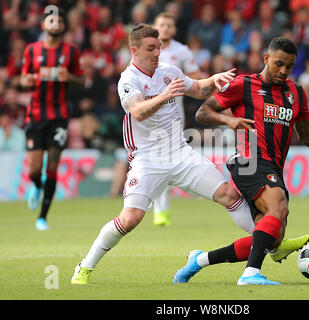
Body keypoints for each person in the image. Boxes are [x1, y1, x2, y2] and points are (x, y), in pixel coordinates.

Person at [71, 23, 294, 285]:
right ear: (134, 50)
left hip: (179, 152)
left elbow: (198, 89)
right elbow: (138, 112)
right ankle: (85, 266)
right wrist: (165, 94)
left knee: (228, 194)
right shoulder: (128, 80)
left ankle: (269, 243)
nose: (157, 53)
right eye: (150, 48)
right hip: (147, 158)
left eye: (159, 47)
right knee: (130, 219)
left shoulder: (168, 71)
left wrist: (214, 80)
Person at [173, 37, 309, 286]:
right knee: (279, 206)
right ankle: (250, 273)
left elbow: (308, 135)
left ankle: (199, 260)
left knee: (271, 238)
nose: (284, 71)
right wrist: (229, 121)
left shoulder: (296, 92)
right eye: (279, 64)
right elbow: (202, 112)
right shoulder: (243, 85)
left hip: (273, 166)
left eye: (289, 66)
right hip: (249, 160)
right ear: (266, 58)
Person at [19, 8, 84, 230]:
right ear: (43, 24)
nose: (55, 23)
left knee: (53, 165)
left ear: (63, 27)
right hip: (36, 115)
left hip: (59, 116)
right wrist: (26, 81)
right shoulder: (31, 50)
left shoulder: (71, 51)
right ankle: (36, 186)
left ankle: (42, 217)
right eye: (51, 19)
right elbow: (23, 77)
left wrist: (71, 77)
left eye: (59, 21)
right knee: (34, 170)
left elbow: (83, 81)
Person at [151, 12, 201, 226]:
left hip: (173, 115)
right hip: (148, 114)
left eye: (169, 25)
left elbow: (196, 76)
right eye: (161, 24)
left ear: (174, 29)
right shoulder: (146, 49)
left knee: (166, 159)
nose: (165, 28)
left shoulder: (181, 51)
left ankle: (161, 209)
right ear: (155, 26)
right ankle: (156, 206)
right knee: (155, 159)